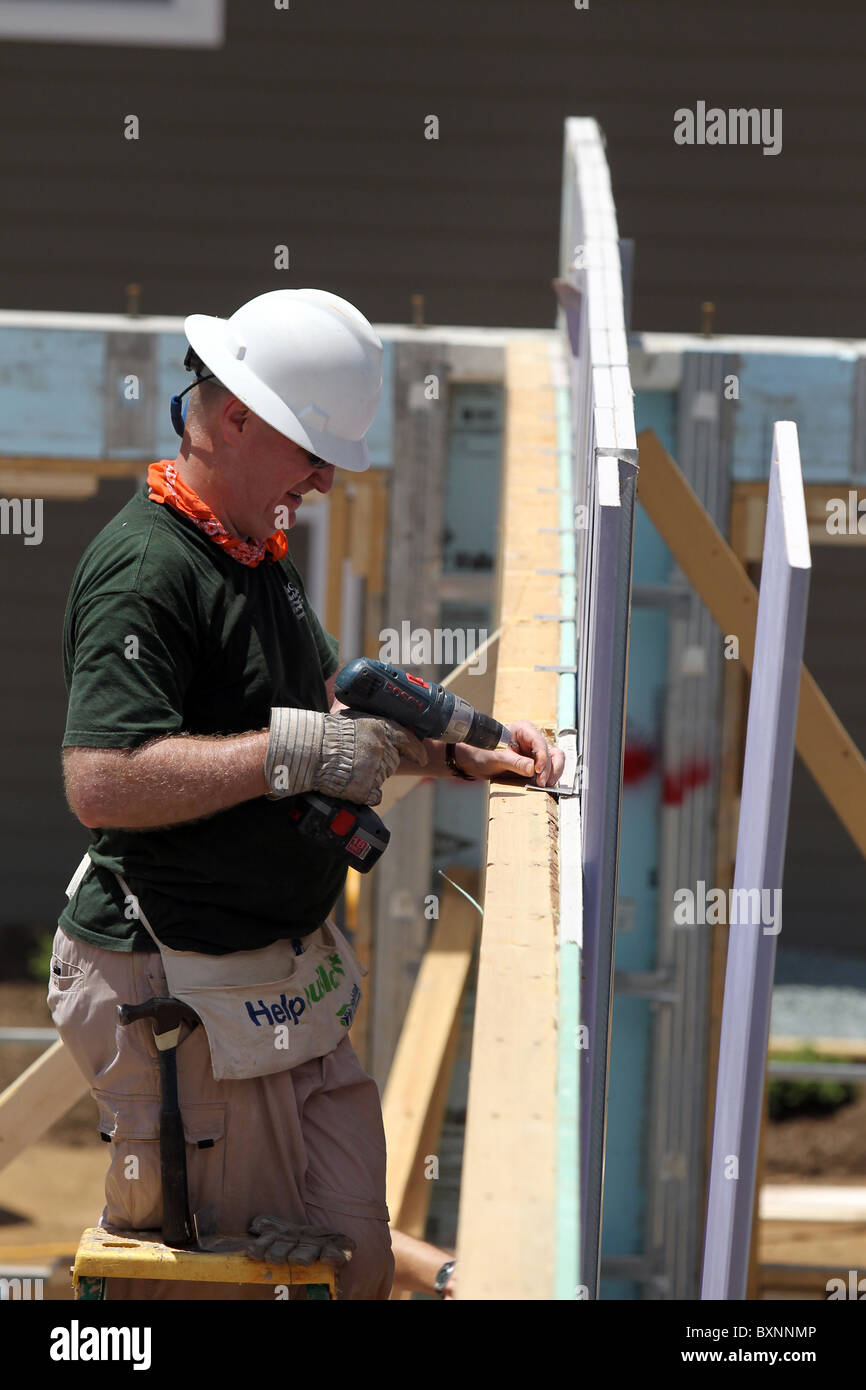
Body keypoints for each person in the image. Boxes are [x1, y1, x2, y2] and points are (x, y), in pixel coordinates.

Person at [49, 288, 564, 1300]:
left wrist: (457, 752)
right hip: (180, 989)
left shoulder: (255, 555)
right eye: (309, 451)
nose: (324, 480)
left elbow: (330, 712)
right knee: (247, 1280)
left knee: (347, 1259)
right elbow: (101, 780)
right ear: (233, 415)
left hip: (280, 983)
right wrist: (296, 750)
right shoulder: (147, 569)